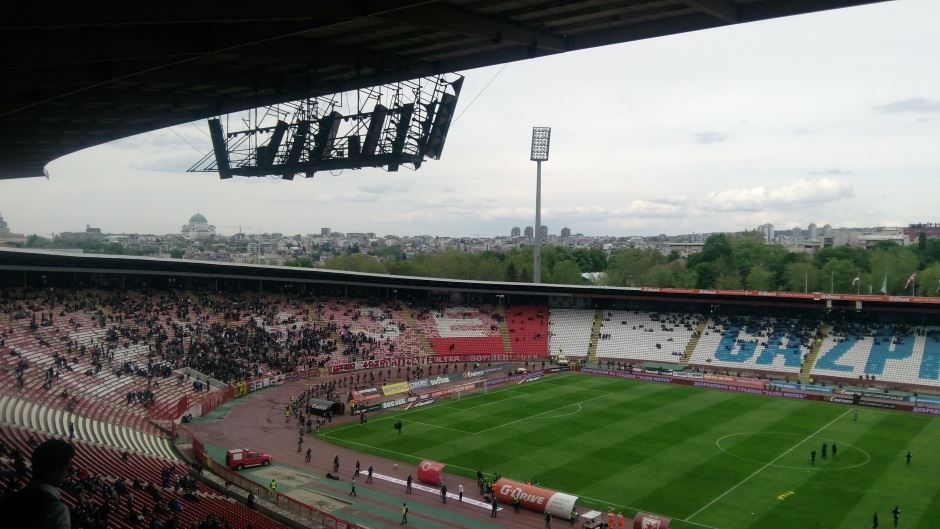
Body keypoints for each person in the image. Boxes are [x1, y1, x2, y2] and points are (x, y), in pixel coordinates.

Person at [0, 438, 75, 529]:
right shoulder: (57, 509)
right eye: (68, 469)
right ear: (56, 470)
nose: (70, 474)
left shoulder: (11, 499)